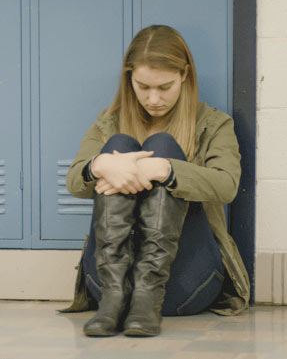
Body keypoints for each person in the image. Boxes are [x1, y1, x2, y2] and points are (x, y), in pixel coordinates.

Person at [63, 25, 250, 337]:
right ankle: (115, 297)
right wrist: (103, 165)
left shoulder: (214, 125)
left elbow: (227, 185)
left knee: (163, 146)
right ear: (129, 80)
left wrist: (166, 170)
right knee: (117, 146)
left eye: (165, 87)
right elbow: (74, 181)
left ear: (185, 76)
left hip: (185, 283)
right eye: (143, 86)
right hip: (109, 291)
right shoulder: (108, 123)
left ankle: (147, 296)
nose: (153, 98)